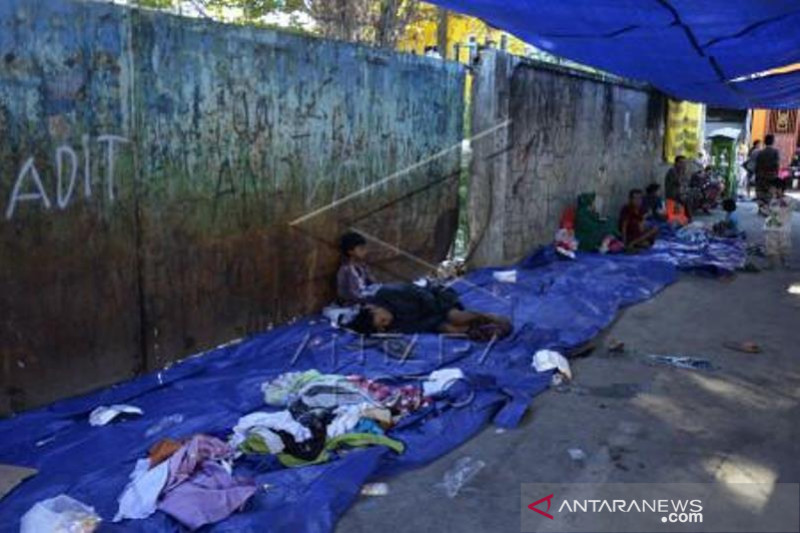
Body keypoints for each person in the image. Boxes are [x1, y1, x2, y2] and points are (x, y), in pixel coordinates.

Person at [347, 283, 512, 341]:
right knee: (450, 330)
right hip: (430, 317)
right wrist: (437, 323)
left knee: (456, 317)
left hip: (436, 299)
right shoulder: (394, 326)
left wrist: (439, 313)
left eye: (382, 320)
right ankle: (481, 331)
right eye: (382, 327)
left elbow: (422, 294)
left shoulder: (388, 292)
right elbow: (420, 326)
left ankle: (488, 317)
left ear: (371, 308)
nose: (387, 323)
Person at [336, 231, 380, 305]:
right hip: (352, 304)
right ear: (350, 251)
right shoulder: (345, 270)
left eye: (365, 249)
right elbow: (348, 295)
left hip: (366, 298)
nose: (365, 251)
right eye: (361, 249)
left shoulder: (362, 266)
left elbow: (373, 283)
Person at [763, 183, 794, 268]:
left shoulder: (789, 200)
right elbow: (769, 212)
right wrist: (764, 208)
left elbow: (786, 209)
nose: (770, 190)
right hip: (771, 227)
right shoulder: (772, 200)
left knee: (784, 246)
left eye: (772, 188)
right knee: (770, 246)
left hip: (783, 228)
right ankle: (770, 264)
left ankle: (784, 262)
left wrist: (781, 202)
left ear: (779, 189)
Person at [755, 134, 780, 212]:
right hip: (771, 175)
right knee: (769, 192)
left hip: (761, 175)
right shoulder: (775, 152)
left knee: (761, 192)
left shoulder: (760, 152)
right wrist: (776, 174)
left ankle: (761, 208)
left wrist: (757, 174)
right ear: (773, 142)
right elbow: (777, 164)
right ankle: (768, 208)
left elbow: (757, 165)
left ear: (765, 142)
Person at [664, 155, 692, 220]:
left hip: (678, 193)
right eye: (681, 163)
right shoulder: (672, 171)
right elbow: (679, 182)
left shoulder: (679, 172)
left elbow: (685, 183)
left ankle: (687, 218)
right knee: (686, 199)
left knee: (690, 195)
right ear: (676, 163)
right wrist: (682, 172)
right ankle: (688, 218)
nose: (683, 165)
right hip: (672, 195)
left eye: (684, 163)